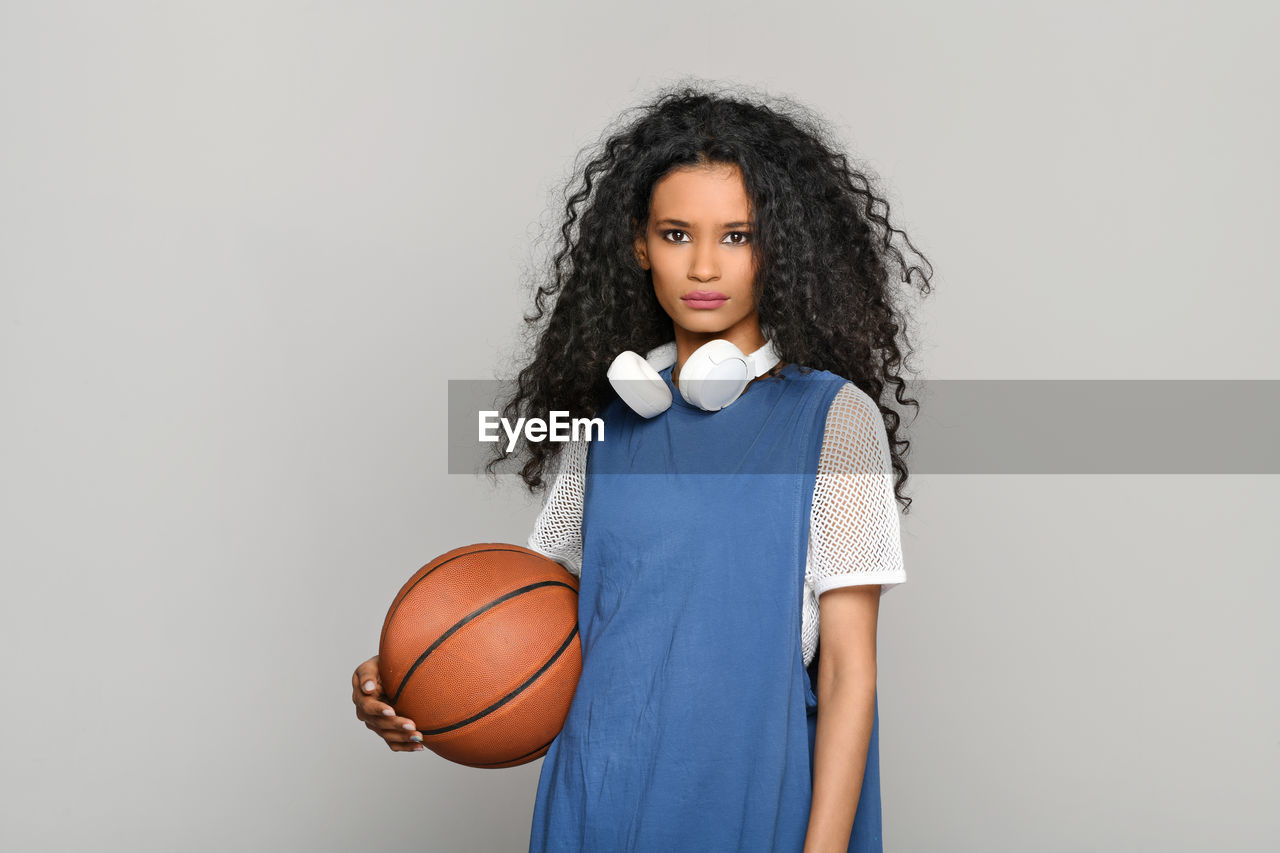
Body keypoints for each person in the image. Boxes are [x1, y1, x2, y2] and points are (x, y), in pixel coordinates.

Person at [351, 82, 933, 852]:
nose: (702, 264)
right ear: (638, 244)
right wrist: (410, 671)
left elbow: (849, 674)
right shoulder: (606, 422)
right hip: (597, 794)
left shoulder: (833, 419)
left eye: (735, 236)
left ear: (778, 249)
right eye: (675, 233)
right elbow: (527, 615)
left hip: (750, 797)